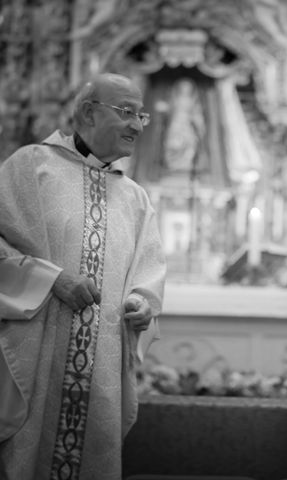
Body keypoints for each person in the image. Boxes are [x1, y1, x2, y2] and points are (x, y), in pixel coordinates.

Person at [0, 73, 166, 479]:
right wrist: (51, 280)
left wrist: (142, 305)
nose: (138, 126)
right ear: (89, 113)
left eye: (141, 115)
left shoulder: (135, 198)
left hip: (101, 372)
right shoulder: (30, 166)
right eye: (127, 112)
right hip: (37, 354)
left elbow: (148, 272)